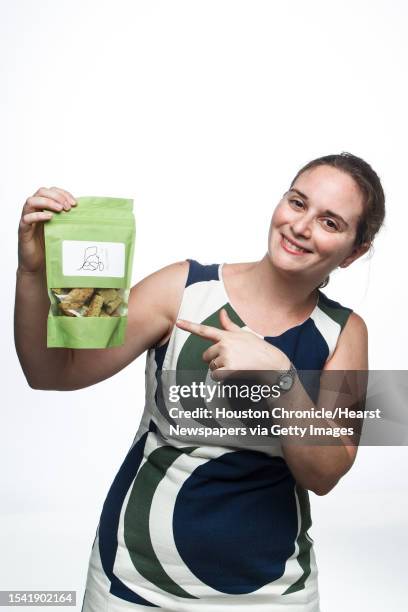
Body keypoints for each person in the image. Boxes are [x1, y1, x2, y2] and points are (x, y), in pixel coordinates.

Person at [14, 152, 385, 611]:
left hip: (271, 593)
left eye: (330, 223)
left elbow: (325, 474)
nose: (301, 226)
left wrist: (280, 379)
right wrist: (32, 274)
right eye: (297, 202)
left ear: (354, 252)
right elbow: (51, 373)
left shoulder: (347, 333)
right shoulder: (182, 288)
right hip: (132, 584)